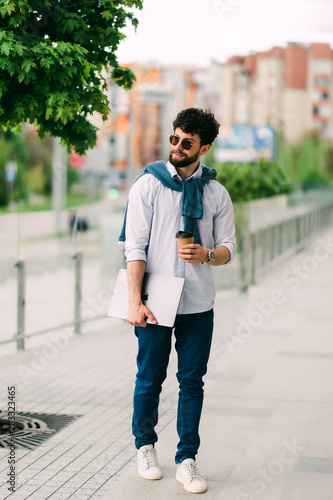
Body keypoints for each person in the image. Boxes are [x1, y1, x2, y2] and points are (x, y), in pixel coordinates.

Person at [120, 108, 236, 494]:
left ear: (203, 148)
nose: (177, 147)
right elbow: (135, 248)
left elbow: (228, 249)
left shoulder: (216, 193)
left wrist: (205, 255)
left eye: (187, 142)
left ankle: (187, 459)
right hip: (157, 299)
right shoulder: (148, 186)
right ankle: (145, 447)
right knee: (149, 378)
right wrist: (133, 302)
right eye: (174, 139)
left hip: (199, 303)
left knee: (192, 382)